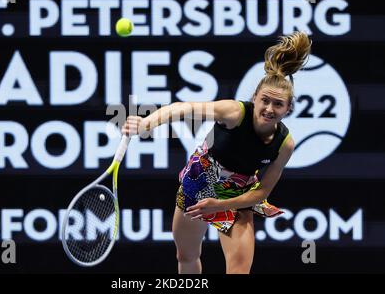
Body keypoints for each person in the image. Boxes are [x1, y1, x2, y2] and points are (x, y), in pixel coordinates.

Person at [122, 31, 312, 274]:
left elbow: (262, 191)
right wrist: (146, 124)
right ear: (255, 98)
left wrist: (222, 203)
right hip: (201, 179)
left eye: (278, 104)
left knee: (239, 269)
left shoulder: (285, 144)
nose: (269, 108)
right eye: (265, 100)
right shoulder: (234, 112)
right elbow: (182, 108)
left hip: (237, 191)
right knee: (186, 255)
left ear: (288, 109)